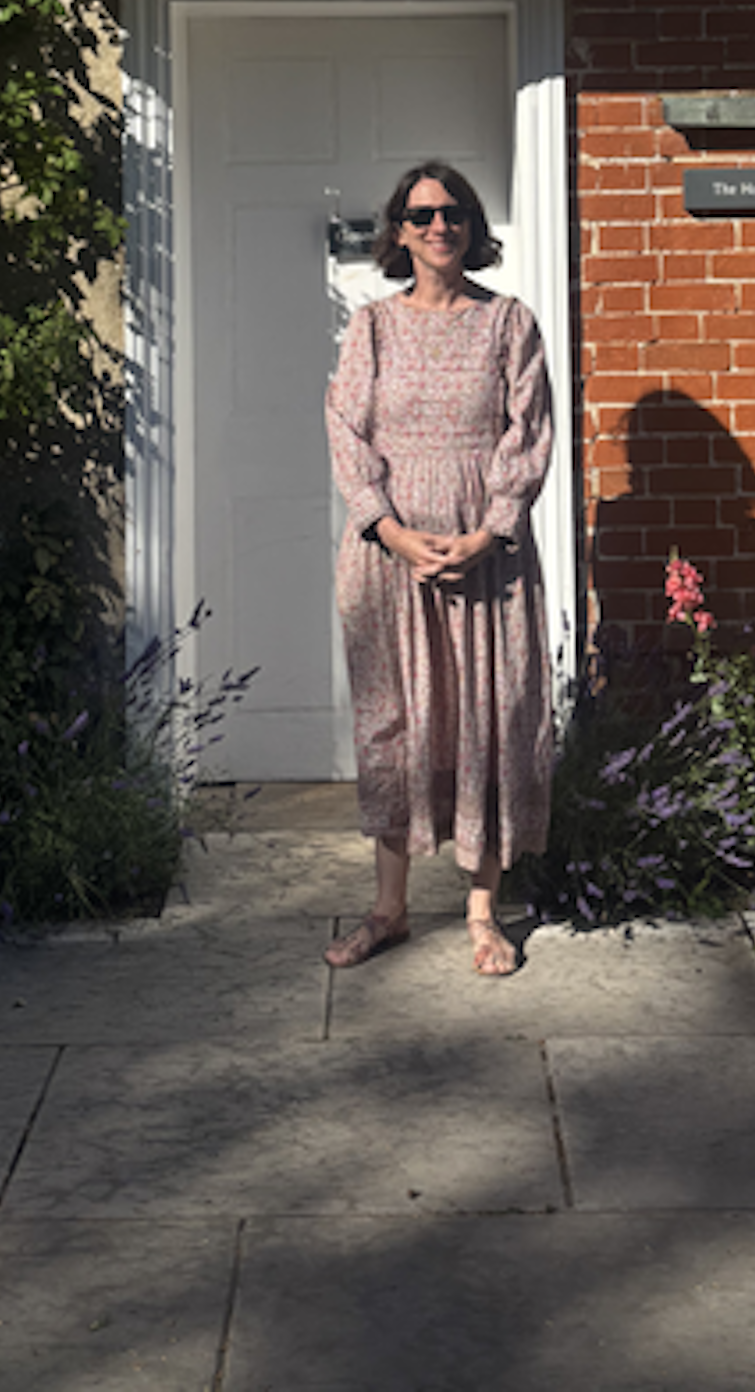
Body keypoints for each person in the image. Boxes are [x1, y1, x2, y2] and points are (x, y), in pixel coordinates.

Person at [323, 160, 555, 977]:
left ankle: (483, 915)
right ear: (398, 233)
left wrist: (489, 533)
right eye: (421, 216)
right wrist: (391, 530)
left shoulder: (510, 325)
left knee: (484, 718)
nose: (438, 227)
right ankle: (388, 911)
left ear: (474, 226)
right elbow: (348, 433)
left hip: (484, 560)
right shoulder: (374, 329)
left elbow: (526, 434)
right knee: (394, 724)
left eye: (453, 213)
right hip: (392, 557)